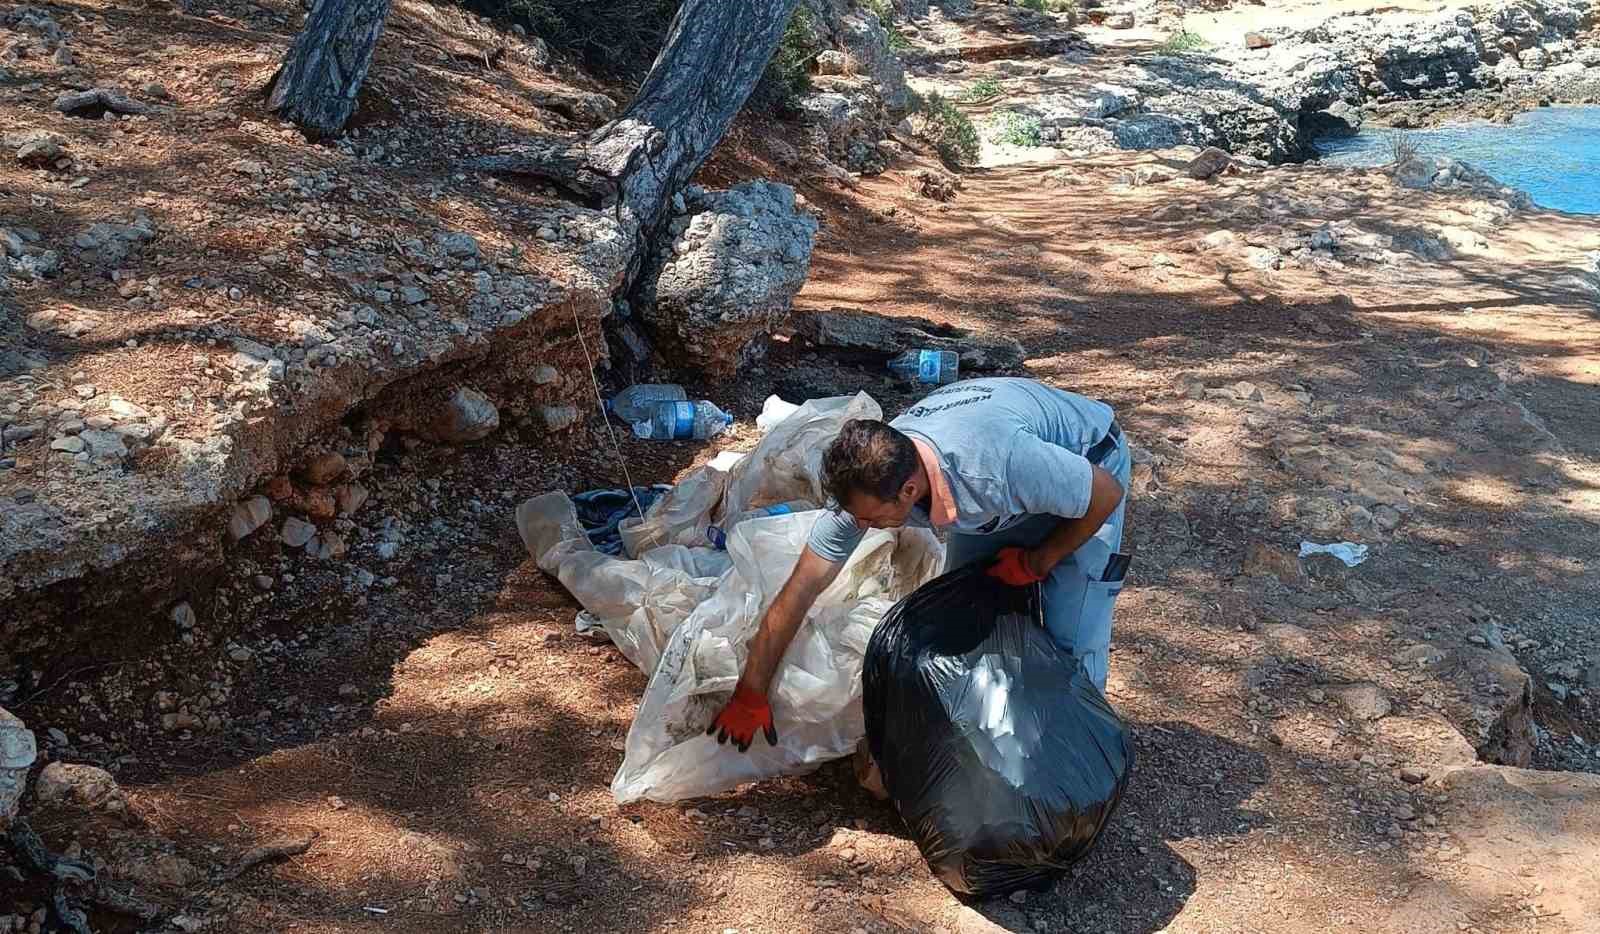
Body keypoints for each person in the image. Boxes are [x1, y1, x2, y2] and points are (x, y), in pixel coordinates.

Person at [708, 377, 1131, 752]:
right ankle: (992, 732)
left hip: (1090, 463)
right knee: (966, 607)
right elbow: (799, 591)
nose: (865, 528)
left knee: (1073, 626)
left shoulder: (991, 471)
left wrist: (1040, 558)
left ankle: (1081, 761)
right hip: (1013, 472)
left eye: (873, 519)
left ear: (908, 490)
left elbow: (1104, 493)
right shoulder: (869, 486)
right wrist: (751, 691)